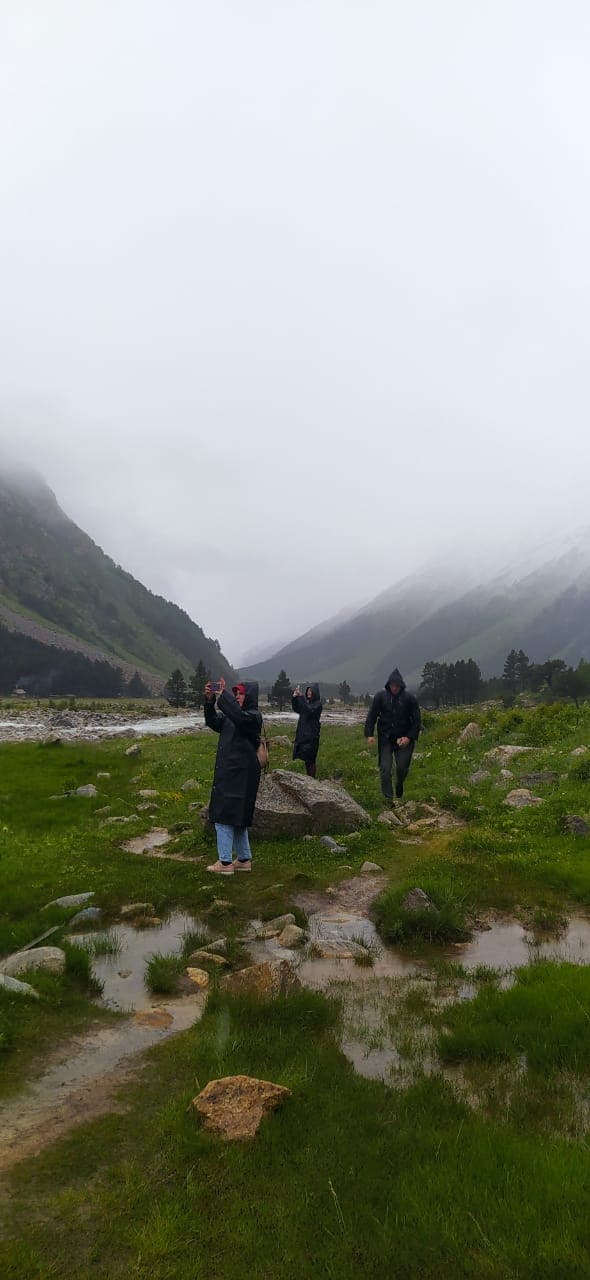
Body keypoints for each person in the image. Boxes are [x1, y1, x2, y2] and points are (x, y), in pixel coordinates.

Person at [203, 677, 263, 874]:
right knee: (238, 818)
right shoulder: (233, 716)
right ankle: (244, 859)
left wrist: (223, 696)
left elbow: (239, 716)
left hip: (241, 774)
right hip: (232, 772)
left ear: (250, 696)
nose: (237, 696)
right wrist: (210, 701)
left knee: (223, 815)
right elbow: (212, 721)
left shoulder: (253, 716)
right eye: (235, 693)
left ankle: (225, 863)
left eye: (240, 693)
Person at [364, 667, 421, 805]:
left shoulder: (409, 699)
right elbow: (372, 716)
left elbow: (417, 720)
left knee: (402, 768)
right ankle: (388, 799)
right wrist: (369, 734)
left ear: (401, 685)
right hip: (386, 738)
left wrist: (409, 737)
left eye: (396, 685)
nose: (394, 688)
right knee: (385, 768)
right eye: (392, 685)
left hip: (404, 738)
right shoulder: (380, 697)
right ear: (388, 685)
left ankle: (399, 783)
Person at [291, 683, 322, 777]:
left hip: (312, 736)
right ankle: (309, 779)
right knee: (306, 759)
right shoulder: (306, 703)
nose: (309, 693)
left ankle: (311, 780)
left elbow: (309, 710)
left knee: (311, 759)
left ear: (315, 693)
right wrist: (295, 698)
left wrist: (301, 698)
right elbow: (297, 708)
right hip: (303, 735)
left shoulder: (318, 705)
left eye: (311, 691)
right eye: (308, 691)